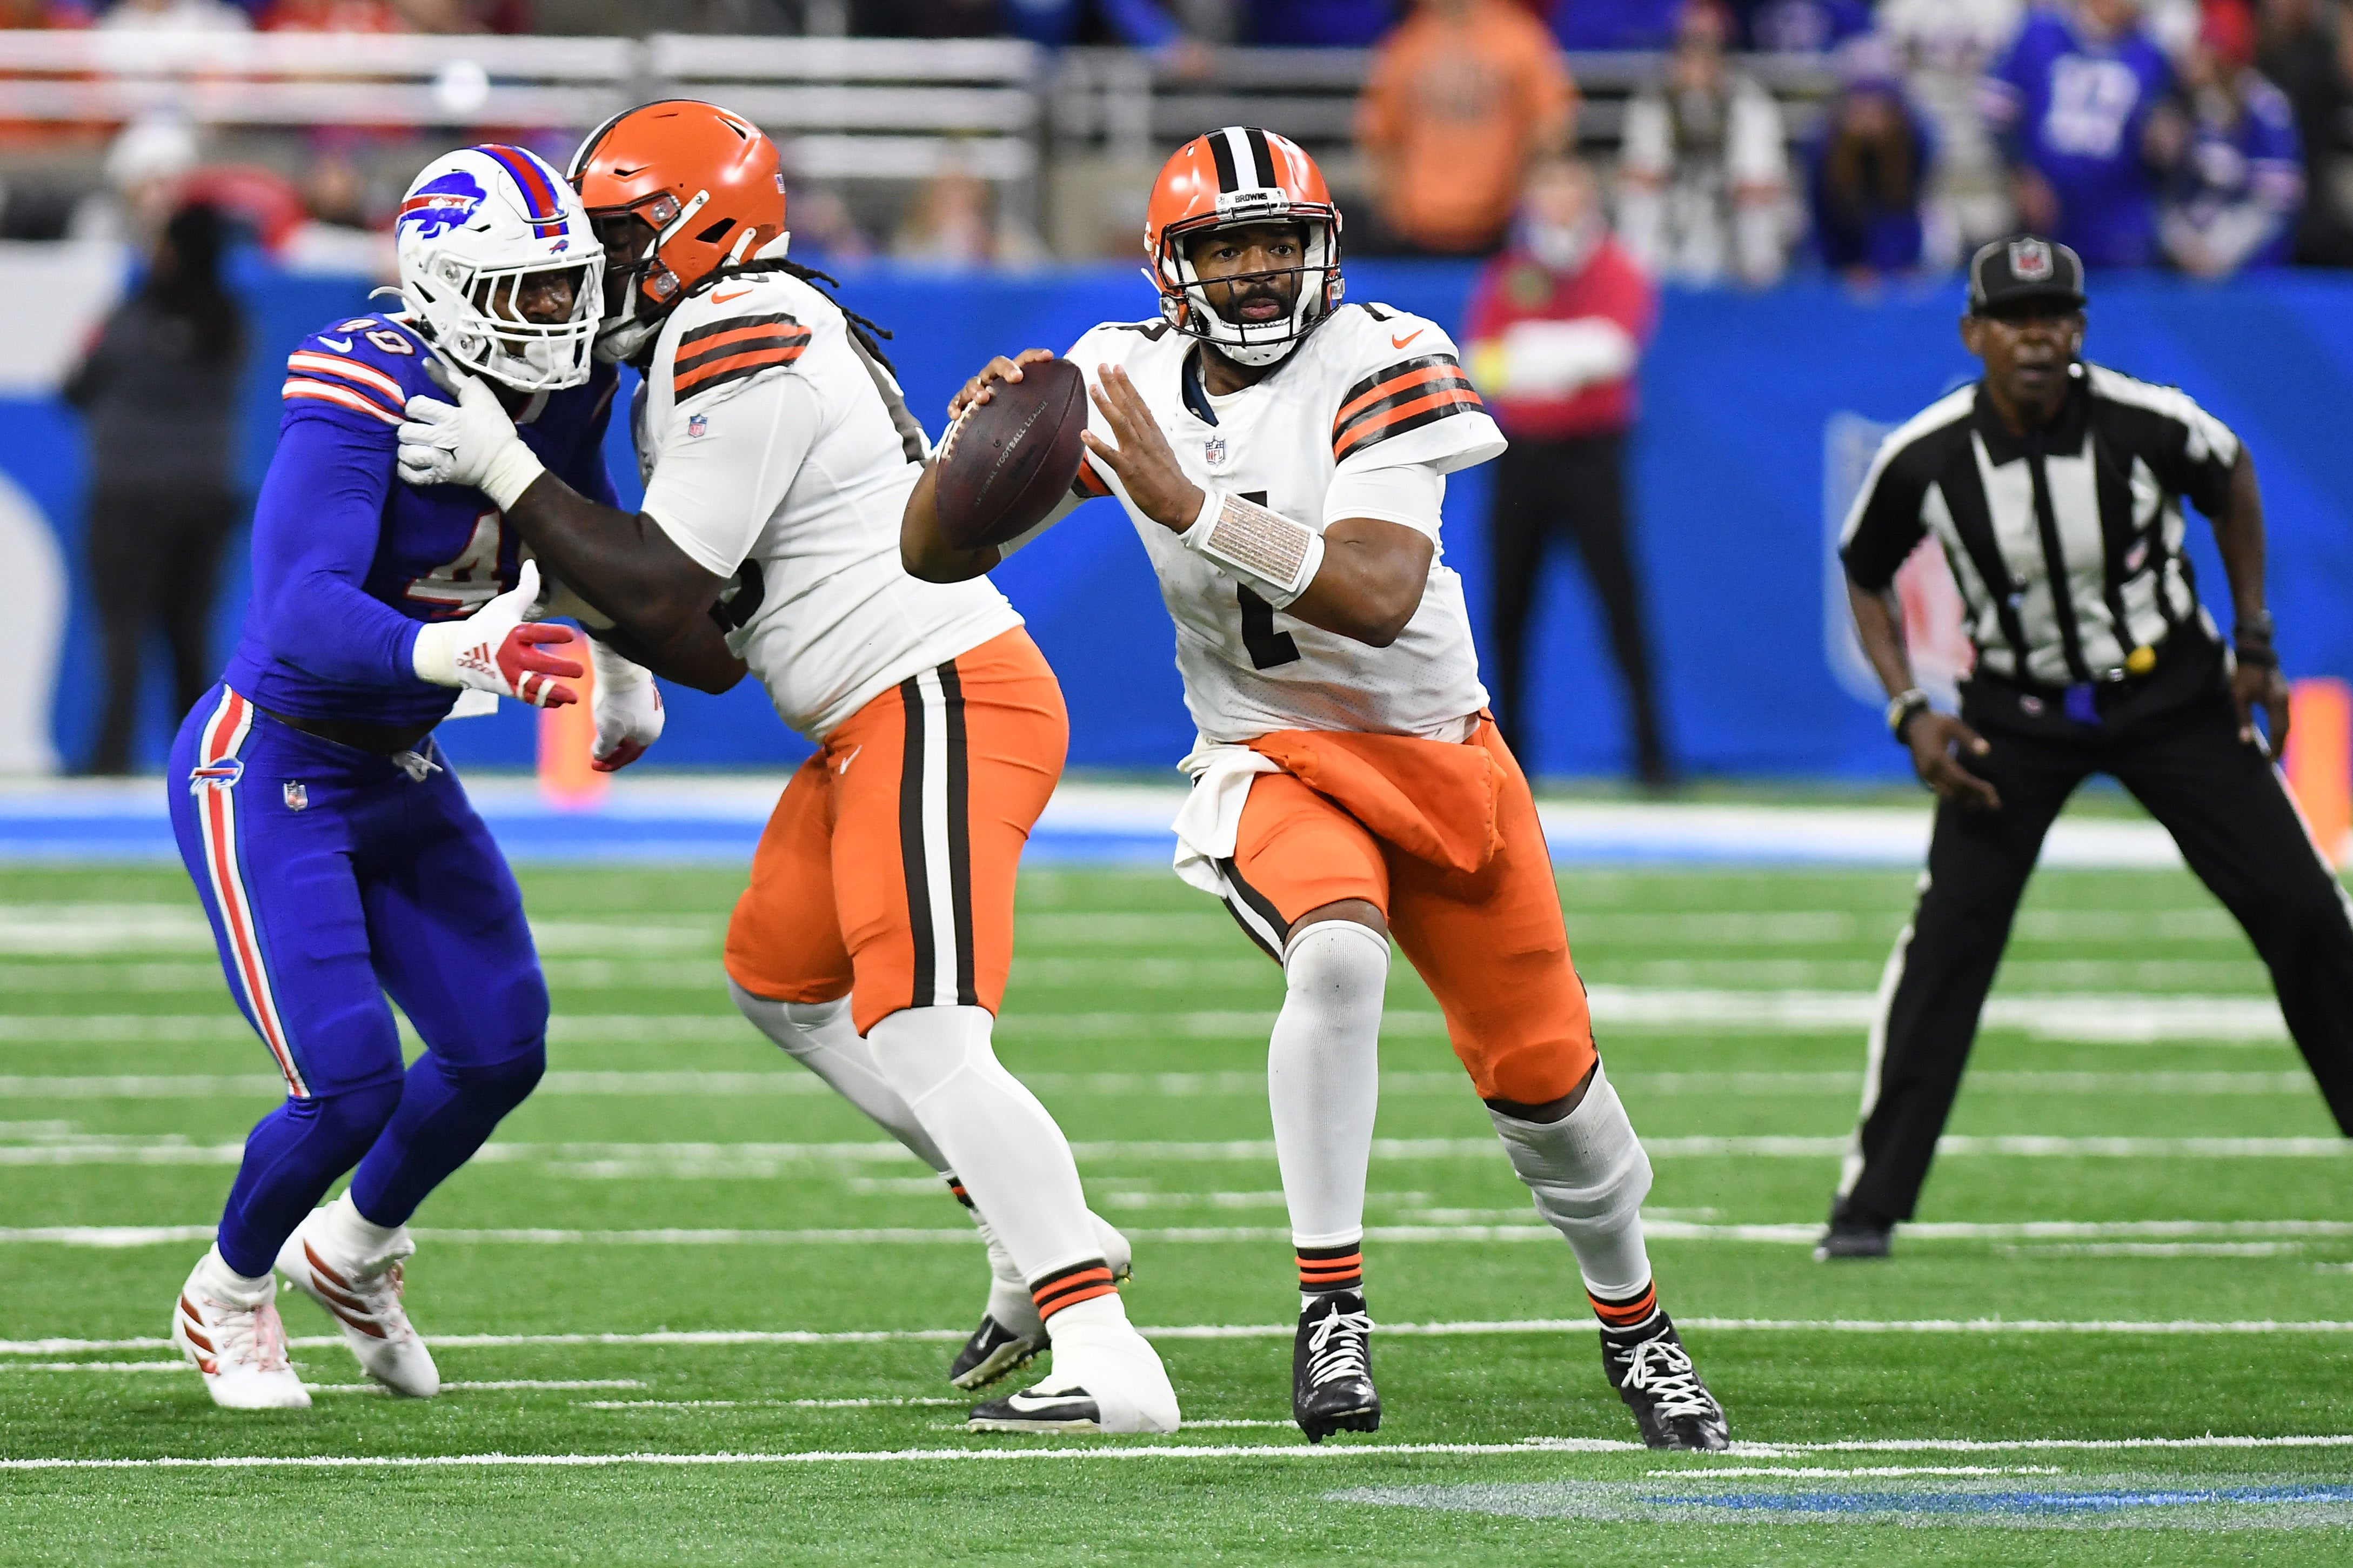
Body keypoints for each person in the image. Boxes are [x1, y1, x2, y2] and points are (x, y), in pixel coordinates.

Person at [904, 126, 1730, 1451]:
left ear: (1322, 246)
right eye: (1227, 244)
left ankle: (1637, 1321)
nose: (1258, 269)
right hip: (1269, 747)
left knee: (1552, 1094)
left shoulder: (1390, 353)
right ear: (1174, 267)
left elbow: (1378, 588)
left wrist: (1183, 501)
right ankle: (1329, 1302)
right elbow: (934, 555)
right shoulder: (1117, 373)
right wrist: (977, 451)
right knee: (1335, 960)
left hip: (1435, 751)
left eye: (1279, 240)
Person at [392, 99, 1175, 1435]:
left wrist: (510, 470)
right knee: (782, 982)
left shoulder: (740, 325)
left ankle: (1109, 1352)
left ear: (703, 229)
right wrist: (619, 646)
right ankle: (1033, 1217)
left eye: (623, 235)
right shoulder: (708, 339)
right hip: (872, 710)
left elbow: (662, 576)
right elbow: (703, 640)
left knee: (928, 1032)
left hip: (936, 692)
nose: (599, 271)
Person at [164, 145, 722, 1409]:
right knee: (350, 1077)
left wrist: (618, 653)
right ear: (438, 284)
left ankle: (352, 1251)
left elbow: (573, 525)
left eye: (567, 286)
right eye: (523, 292)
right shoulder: (360, 380)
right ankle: (230, 1285)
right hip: (272, 757)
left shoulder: (569, 383)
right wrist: (452, 647)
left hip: (393, 758)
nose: (559, 317)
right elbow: (298, 611)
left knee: (496, 1043)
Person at [1822, 235, 2353, 1260]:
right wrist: (1908, 711)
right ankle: (1867, 1204)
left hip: (2171, 695)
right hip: (2012, 719)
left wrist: (2253, 642)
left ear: (2078, 329)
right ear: (1973, 332)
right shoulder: (1927, 454)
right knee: (1947, 947)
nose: (2035, 337)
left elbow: (2231, 472)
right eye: (2014, 319)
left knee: (2298, 906)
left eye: (2055, 316)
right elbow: (1863, 567)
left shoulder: (2142, 422)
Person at [1461, 155, 1668, 785]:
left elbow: (1613, 352)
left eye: (1567, 187)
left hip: (1591, 454)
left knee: (1619, 601)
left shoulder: (1615, 267)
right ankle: (1510, 756)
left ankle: (1651, 756)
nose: (1556, 201)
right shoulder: (1511, 271)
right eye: (1545, 187)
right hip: (1519, 455)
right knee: (1508, 608)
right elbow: (1482, 364)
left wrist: (1530, 355)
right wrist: (1561, 356)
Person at [64, 203, 245, 775]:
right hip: (204, 491)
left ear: (169, 250)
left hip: (128, 492)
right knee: (189, 631)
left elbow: (76, 385)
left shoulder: (130, 316)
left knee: (122, 630)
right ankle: (198, 761)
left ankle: (111, 757)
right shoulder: (231, 322)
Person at [1356, 0, 1577, 256]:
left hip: (1500, 229)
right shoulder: (1406, 44)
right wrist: (1392, 208)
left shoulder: (1519, 38)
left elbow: (1554, 127)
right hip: (1416, 231)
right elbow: (1377, 137)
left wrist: (1521, 196)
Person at [1981, 0, 2175, 267]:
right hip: (2047, 211)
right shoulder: (2039, 34)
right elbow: (1998, 113)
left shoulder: (2150, 53)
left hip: (2119, 215)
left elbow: (2165, 139)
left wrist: (2165, 144)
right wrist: (2021, 176)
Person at [1616, 0, 1793, 286]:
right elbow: (1644, 170)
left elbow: (1759, 179)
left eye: (1706, 55)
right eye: (1688, 55)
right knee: (1639, 201)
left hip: (1730, 208)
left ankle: (1758, 288)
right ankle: (1643, 284)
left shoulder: (1749, 100)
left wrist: (1733, 188)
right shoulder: (1653, 100)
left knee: (1756, 211)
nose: (1697, 67)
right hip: (1676, 201)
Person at [2153, 22, 2303, 276]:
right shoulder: (2179, 101)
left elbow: (2280, 197)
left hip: (2249, 267)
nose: (2191, 56)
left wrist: (2222, 250)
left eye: (2203, 48)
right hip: (2187, 261)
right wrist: (2182, 243)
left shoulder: (2265, 107)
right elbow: (2160, 190)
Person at [1807, 43, 1940, 278]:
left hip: (1902, 247)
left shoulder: (1916, 142)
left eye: (1878, 106)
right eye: (1860, 105)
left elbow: (1904, 209)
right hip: (1838, 252)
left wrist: (1889, 264)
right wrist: (1846, 267)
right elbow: (1824, 217)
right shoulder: (1822, 148)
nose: (1868, 116)